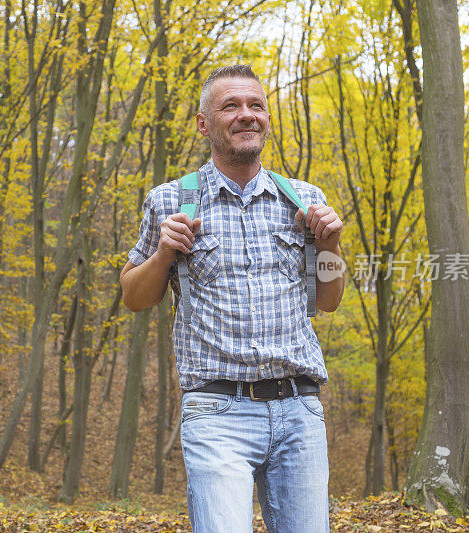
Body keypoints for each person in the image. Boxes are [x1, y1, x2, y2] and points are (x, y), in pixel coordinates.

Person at [120, 65, 345, 533]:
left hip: (299, 409)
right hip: (216, 412)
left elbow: (329, 300)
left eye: (256, 106)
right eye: (231, 106)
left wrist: (330, 246)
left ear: (266, 117)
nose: (247, 115)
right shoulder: (171, 200)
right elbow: (134, 297)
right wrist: (164, 252)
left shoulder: (303, 200)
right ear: (204, 123)